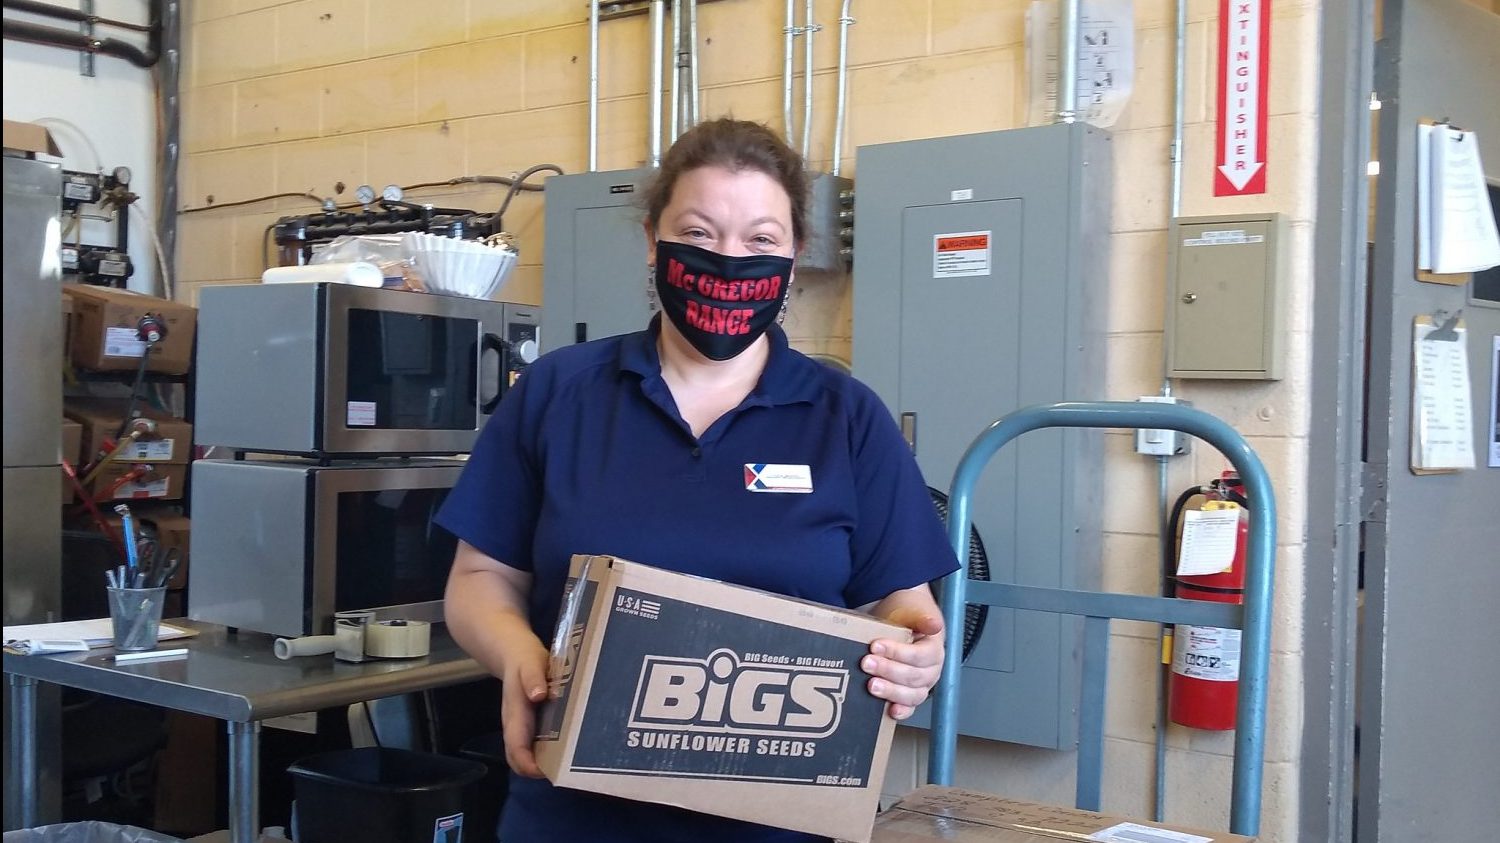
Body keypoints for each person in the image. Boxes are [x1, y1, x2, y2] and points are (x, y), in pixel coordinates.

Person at [437, 117, 960, 843]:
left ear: (794, 254)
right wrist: (517, 653)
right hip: (574, 818)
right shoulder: (561, 393)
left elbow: (901, 601)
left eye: (760, 240)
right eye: (700, 232)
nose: (728, 260)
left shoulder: (846, 417)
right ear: (653, 240)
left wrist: (913, 652)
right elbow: (480, 576)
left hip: (782, 826)